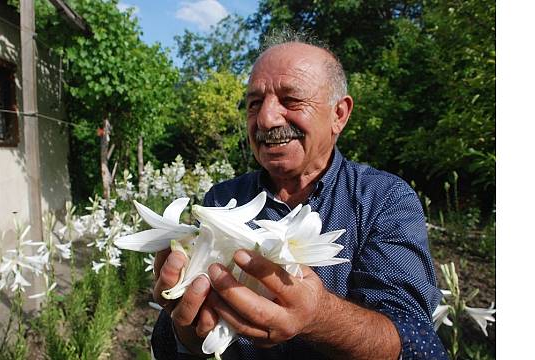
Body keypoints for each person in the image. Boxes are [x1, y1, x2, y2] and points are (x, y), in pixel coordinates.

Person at [150, 32, 447, 360]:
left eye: (291, 100)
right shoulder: (222, 199)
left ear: (339, 115)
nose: (266, 118)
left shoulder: (383, 199)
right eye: (254, 104)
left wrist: (318, 317)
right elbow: (175, 341)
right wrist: (185, 332)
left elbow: (418, 343)